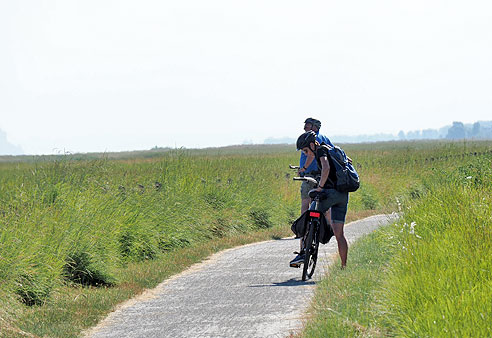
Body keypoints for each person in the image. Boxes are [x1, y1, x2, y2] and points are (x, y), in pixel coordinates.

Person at [290, 131, 349, 269]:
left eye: (305, 150)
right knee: (339, 235)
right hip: (342, 195)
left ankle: (304, 252)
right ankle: (344, 266)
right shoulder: (331, 149)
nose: (305, 154)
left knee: (309, 214)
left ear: (312, 145)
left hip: (330, 192)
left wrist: (320, 187)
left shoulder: (321, 150)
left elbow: (326, 167)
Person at [298, 118, 334, 215]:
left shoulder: (312, 139)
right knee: (322, 205)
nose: (305, 127)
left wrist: (304, 168)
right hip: (323, 176)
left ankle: (304, 227)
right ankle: (327, 227)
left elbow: (311, 155)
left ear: (315, 127)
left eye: (308, 124)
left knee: (305, 203)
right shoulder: (324, 138)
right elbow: (332, 150)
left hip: (312, 176)